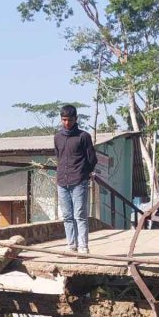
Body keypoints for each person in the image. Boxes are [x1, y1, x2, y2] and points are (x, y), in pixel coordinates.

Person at [54, 105, 97, 253]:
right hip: (61, 182)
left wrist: (84, 174)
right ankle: (71, 245)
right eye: (64, 120)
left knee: (80, 215)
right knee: (67, 216)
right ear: (61, 120)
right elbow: (58, 157)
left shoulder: (83, 136)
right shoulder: (57, 137)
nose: (67, 123)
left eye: (70, 120)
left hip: (78, 181)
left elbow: (92, 159)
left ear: (76, 119)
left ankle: (83, 246)